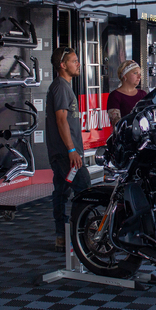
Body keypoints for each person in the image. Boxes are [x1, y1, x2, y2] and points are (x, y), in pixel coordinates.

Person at [46, 46, 91, 252]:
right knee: (83, 187)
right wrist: (72, 150)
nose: (78, 64)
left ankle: (62, 237)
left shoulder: (62, 86)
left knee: (62, 192)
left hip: (64, 152)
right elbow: (61, 119)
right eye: (74, 61)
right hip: (66, 154)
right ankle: (79, 234)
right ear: (63, 65)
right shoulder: (61, 87)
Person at [107, 60, 147, 127]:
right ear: (124, 75)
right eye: (135, 73)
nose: (139, 77)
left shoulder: (143, 94)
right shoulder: (115, 96)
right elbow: (116, 123)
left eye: (140, 74)